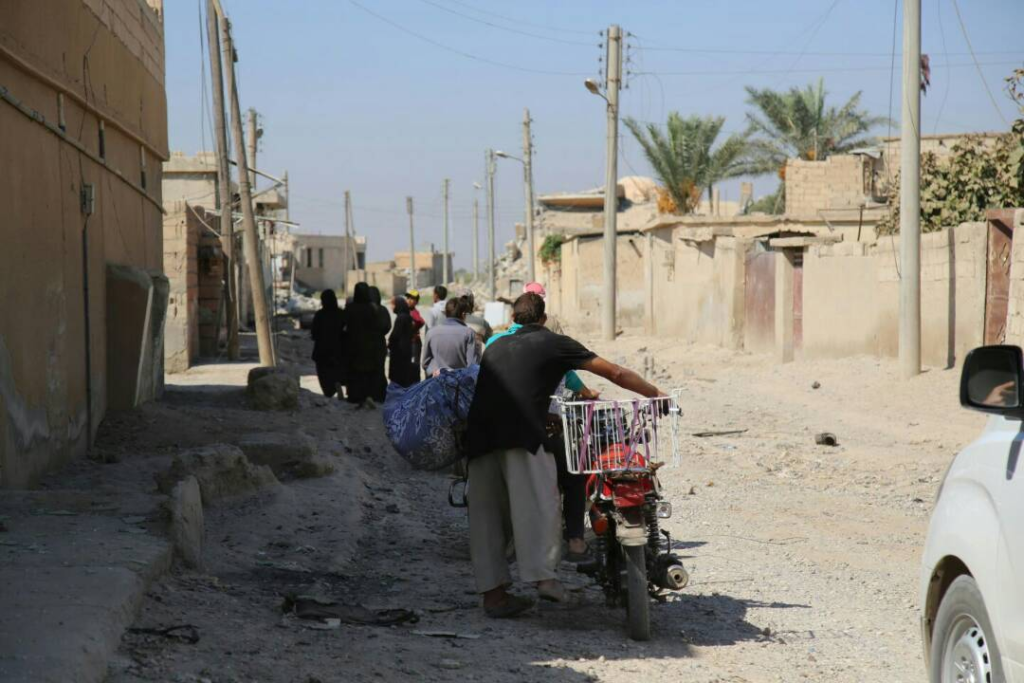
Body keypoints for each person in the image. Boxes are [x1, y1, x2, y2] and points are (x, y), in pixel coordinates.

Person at [464, 292, 666, 617]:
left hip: (478, 438)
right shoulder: (554, 343)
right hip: (521, 438)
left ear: (514, 320)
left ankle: (495, 597)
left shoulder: (497, 345)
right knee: (541, 505)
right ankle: (545, 581)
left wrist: (545, 415)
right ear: (543, 319)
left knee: (488, 518)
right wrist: (656, 394)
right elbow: (613, 373)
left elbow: (506, 392)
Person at [484, 299, 596, 562]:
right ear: (543, 322)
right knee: (574, 476)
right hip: (546, 430)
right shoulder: (557, 350)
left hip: (503, 430)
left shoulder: (495, 344)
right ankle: (577, 542)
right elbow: (585, 384)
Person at [345, 282, 383, 409]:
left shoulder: (350, 308)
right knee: (367, 373)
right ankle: (368, 396)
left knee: (355, 372)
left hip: (353, 345)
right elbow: (377, 327)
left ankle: (355, 397)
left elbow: (345, 326)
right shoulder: (372, 309)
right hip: (369, 346)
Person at [422, 297, 478, 376]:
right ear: (463, 315)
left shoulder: (431, 332)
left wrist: (434, 371)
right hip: (459, 383)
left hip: (436, 382)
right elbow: (472, 365)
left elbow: (425, 363)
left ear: (446, 313)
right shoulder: (469, 333)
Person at [310, 289, 346, 398]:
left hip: (322, 350)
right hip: (338, 349)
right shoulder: (341, 313)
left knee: (324, 374)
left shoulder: (320, 315)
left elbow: (314, 332)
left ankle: (329, 392)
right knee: (337, 370)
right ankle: (337, 384)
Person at [368, 286, 392, 403]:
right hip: (380, 343)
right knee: (380, 370)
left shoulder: (366, 309)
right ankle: (380, 395)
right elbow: (387, 326)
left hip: (368, 344)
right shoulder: (383, 310)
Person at [388, 297, 418, 387]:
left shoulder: (401, 318)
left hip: (399, 351)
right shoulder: (407, 316)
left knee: (398, 375)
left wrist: (390, 342)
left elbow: (395, 335)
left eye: (393, 305)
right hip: (406, 349)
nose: (391, 307)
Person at [405, 291, 425, 383]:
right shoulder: (406, 311)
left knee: (414, 365)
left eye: (412, 299)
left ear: (416, 302)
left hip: (414, 343)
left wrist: (413, 329)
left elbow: (420, 321)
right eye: (408, 298)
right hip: (409, 342)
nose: (409, 300)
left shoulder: (414, 312)